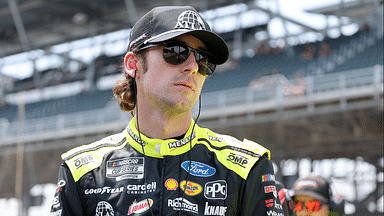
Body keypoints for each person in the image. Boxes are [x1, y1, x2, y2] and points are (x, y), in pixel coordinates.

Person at [50, 6, 284, 216]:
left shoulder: (247, 167)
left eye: (203, 60)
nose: (192, 66)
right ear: (133, 64)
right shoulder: (81, 171)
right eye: (175, 51)